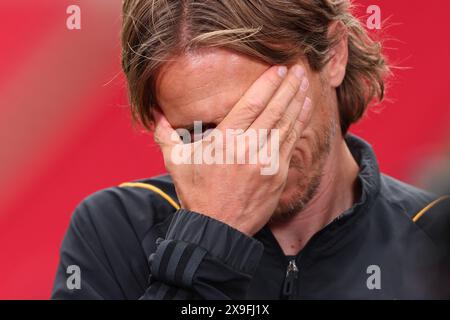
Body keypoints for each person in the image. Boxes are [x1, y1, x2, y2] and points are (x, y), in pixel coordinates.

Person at [52, 0, 450, 299]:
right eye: (202, 130)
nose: (242, 154)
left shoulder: (434, 232)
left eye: (262, 113)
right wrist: (207, 243)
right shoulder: (114, 229)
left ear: (333, 55)